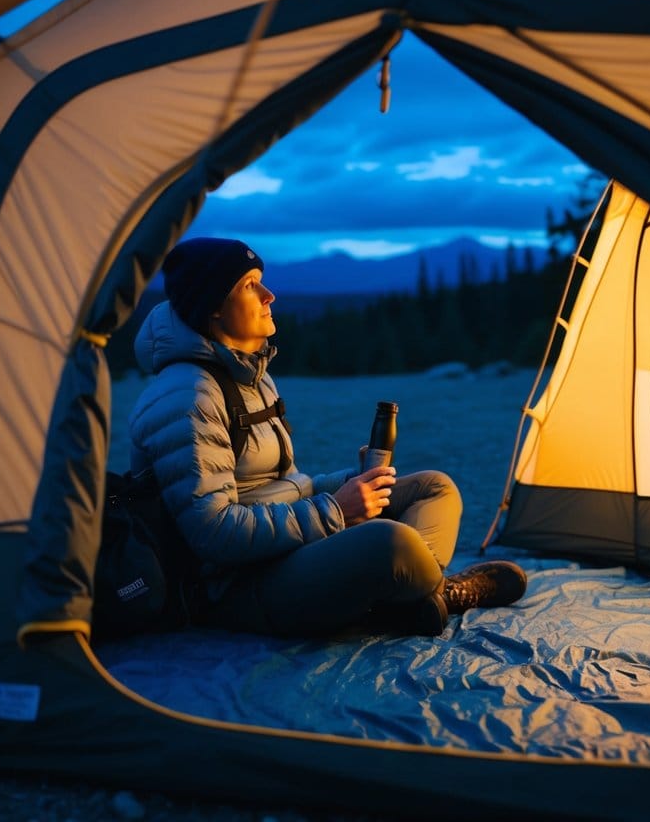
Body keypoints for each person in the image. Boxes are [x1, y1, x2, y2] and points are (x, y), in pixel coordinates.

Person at [128, 237, 526, 637]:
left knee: (434, 488)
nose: (270, 295)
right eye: (250, 285)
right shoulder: (187, 396)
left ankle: (415, 597)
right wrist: (336, 510)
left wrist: (346, 485)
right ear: (212, 305)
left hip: (286, 546)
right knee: (389, 542)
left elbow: (284, 486)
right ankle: (444, 592)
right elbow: (214, 535)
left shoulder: (251, 375)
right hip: (235, 585)